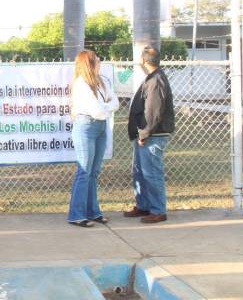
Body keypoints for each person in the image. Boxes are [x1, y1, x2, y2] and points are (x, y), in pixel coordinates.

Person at [66, 50, 119, 228]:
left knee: (94, 172)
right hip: (86, 127)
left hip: (101, 127)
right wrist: (106, 107)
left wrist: (104, 106)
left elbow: (116, 103)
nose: (99, 61)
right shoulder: (81, 84)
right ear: (89, 63)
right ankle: (76, 214)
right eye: (96, 59)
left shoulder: (102, 81)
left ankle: (93, 211)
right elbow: (96, 110)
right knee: (84, 171)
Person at [124, 46, 175, 224]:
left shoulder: (157, 80)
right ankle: (143, 205)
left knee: (152, 173)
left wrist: (144, 133)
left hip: (153, 135)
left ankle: (158, 210)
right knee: (140, 172)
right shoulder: (152, 78)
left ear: (144, 61)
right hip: (146, 134)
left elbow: (153, 112)